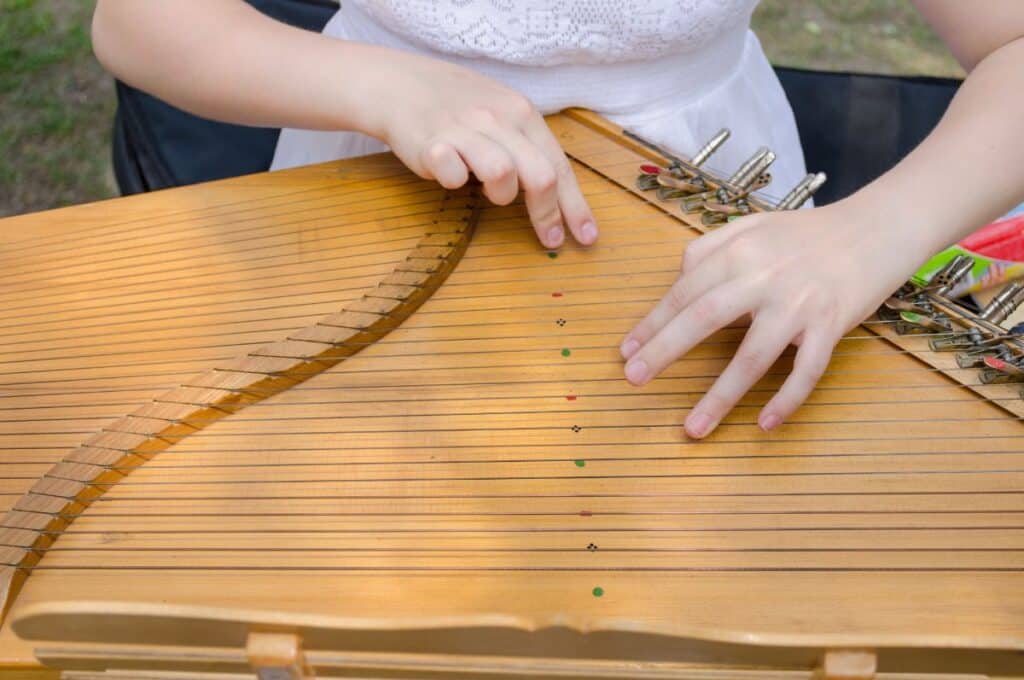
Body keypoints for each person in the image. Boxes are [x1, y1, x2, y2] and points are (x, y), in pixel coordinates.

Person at [91, 1, 1024, 438]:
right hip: (381, 184)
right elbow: (140, 20)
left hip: (709, 235)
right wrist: (384, 87)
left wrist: (872, 232)